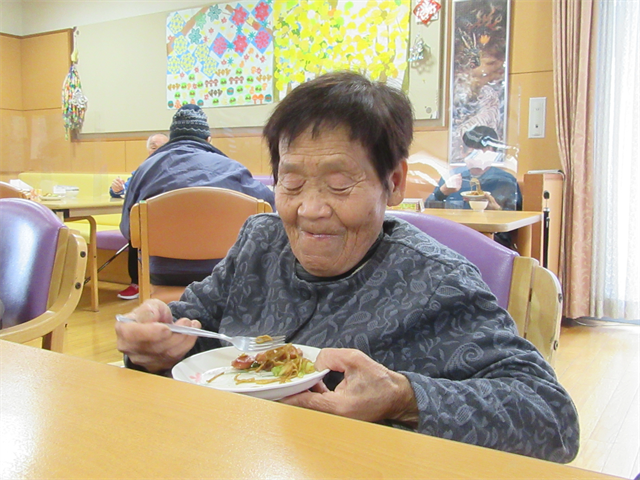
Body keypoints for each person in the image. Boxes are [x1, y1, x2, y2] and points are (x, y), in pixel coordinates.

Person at [115, 72, 579, 463]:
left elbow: (553, 419)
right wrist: (154, 335)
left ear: (392, 182)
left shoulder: (436, 281)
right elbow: (195, 321)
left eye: (339, 185)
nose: (310, 209)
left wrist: (403, 396)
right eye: (292, 183)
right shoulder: (260, 242)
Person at [119, 103, 275, 287]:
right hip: (225, 271)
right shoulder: (232, 168)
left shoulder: (144, 170)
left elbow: (128, 230)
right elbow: (270, 209)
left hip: (163, 273)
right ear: (208, 140)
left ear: (172, 140)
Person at [109, 133, 169, 300]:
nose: (158, 151)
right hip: (145, 219)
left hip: (168, 220)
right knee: (135, 231)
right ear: (148, 150)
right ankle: (136, 283)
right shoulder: (142, 170)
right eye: (153, 147)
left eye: (162, 147)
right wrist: (116, 190)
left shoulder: (174, 167)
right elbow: (124, 190)